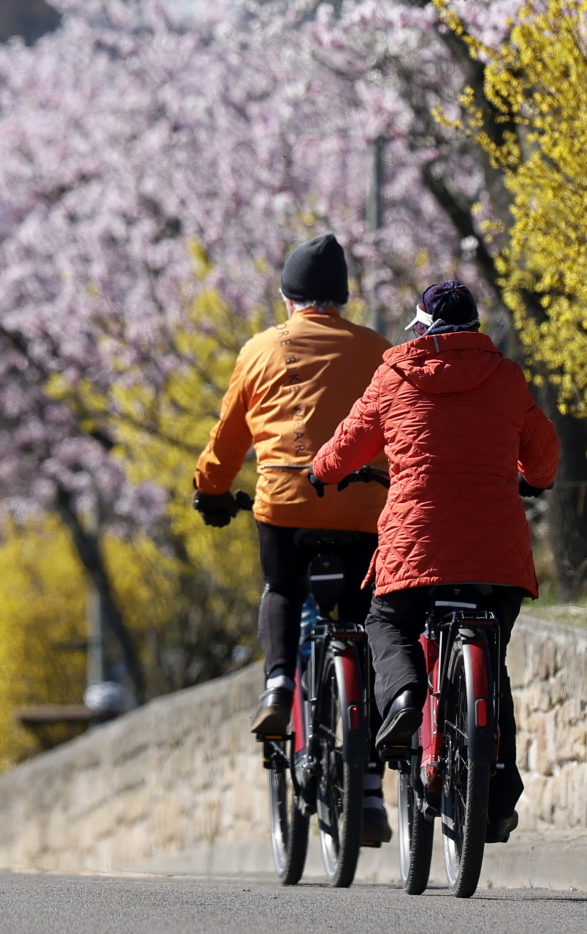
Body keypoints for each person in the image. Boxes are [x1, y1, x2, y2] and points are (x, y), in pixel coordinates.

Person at [309, 280, 558, 844]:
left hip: (415, 548)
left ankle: (403, 696)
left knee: (386, 620)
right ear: (474, 328)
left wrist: (320, 472)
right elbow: (544, 454)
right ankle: (495, 801)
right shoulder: (506, 376)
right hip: (496, 558)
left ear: (420, 327)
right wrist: (532, 481)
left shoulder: (394, 374)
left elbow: (347, 443)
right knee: (491, 661)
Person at [192, 233, 394, 843]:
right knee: (365, 623)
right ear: (342, 299)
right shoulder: (380, 351)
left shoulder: (260, 350)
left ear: (288, 298)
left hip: (284, 501)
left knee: (282, 587)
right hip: (364, 506)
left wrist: (211, 490)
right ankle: (366, 787)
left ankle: (280, 681)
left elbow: (230, 438)